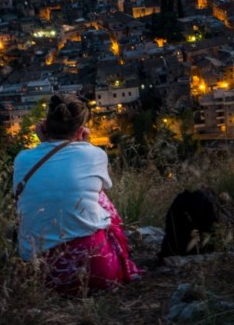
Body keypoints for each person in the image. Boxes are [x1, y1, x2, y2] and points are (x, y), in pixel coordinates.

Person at [13, 95, 141, 295]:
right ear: (81, 130)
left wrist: (46, 143)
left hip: (39, 274)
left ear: (44, 126)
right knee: (99, 198)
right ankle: (122, 256)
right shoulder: (95, 154)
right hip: (95, 271)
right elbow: (95, 188)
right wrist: (84, 145)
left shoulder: (22, 159)